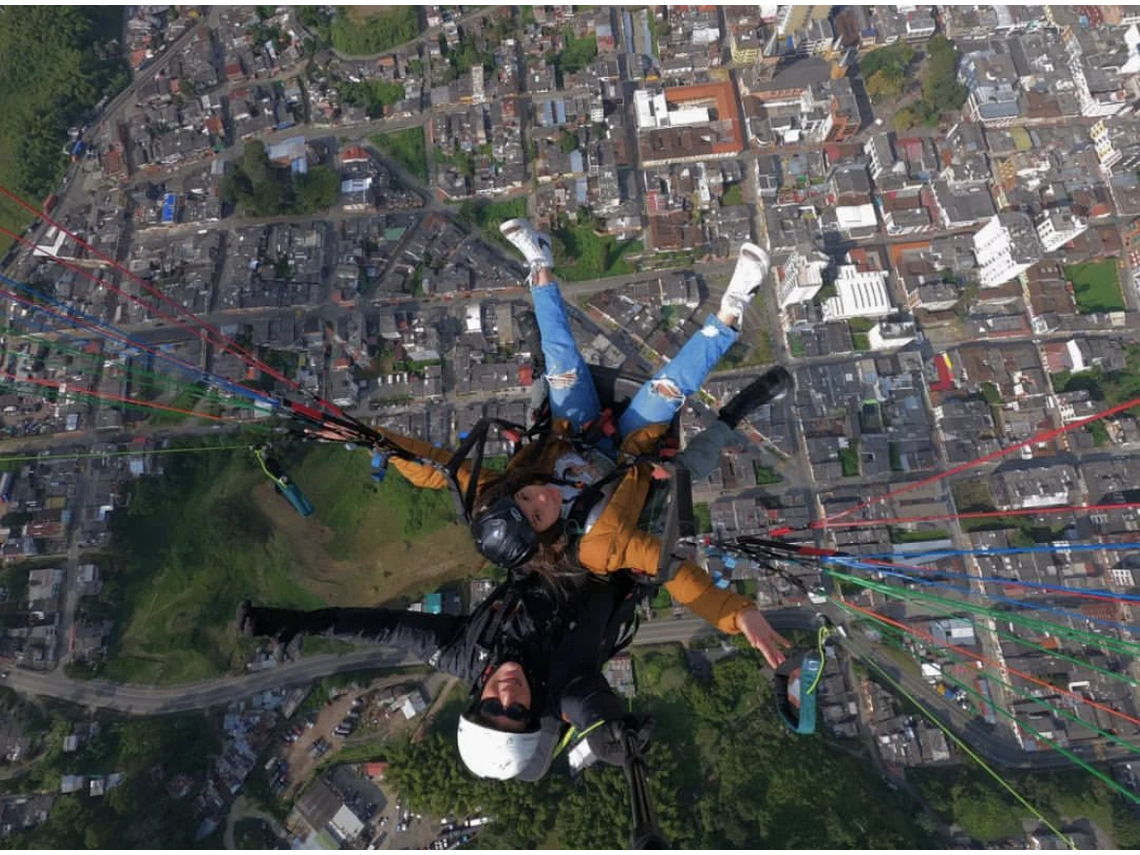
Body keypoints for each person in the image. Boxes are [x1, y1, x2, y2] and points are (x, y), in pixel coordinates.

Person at [370, 218, 792, 669]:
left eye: (526, 495)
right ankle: (734, 305)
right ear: (547, 534)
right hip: (634, 454)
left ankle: (539, 263)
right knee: (671, 388)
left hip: (575, 431)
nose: (541, 495)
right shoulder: (603, 546)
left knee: (561, 362)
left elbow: (441, 470)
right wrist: (739, 615)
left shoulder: (508, 487)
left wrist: (371, 439)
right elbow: (673, 574)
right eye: (538, 513)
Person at [237, 566, 649, 781]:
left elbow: (386, 628)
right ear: (534, 715)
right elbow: (591, 708)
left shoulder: (465, 656)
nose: (506, 695)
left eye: (491, 707)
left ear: (474, 702)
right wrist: (609, 736)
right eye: (517, 713)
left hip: (552, 536)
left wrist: (306, 622)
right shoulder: (563, 687)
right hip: (613, 563)